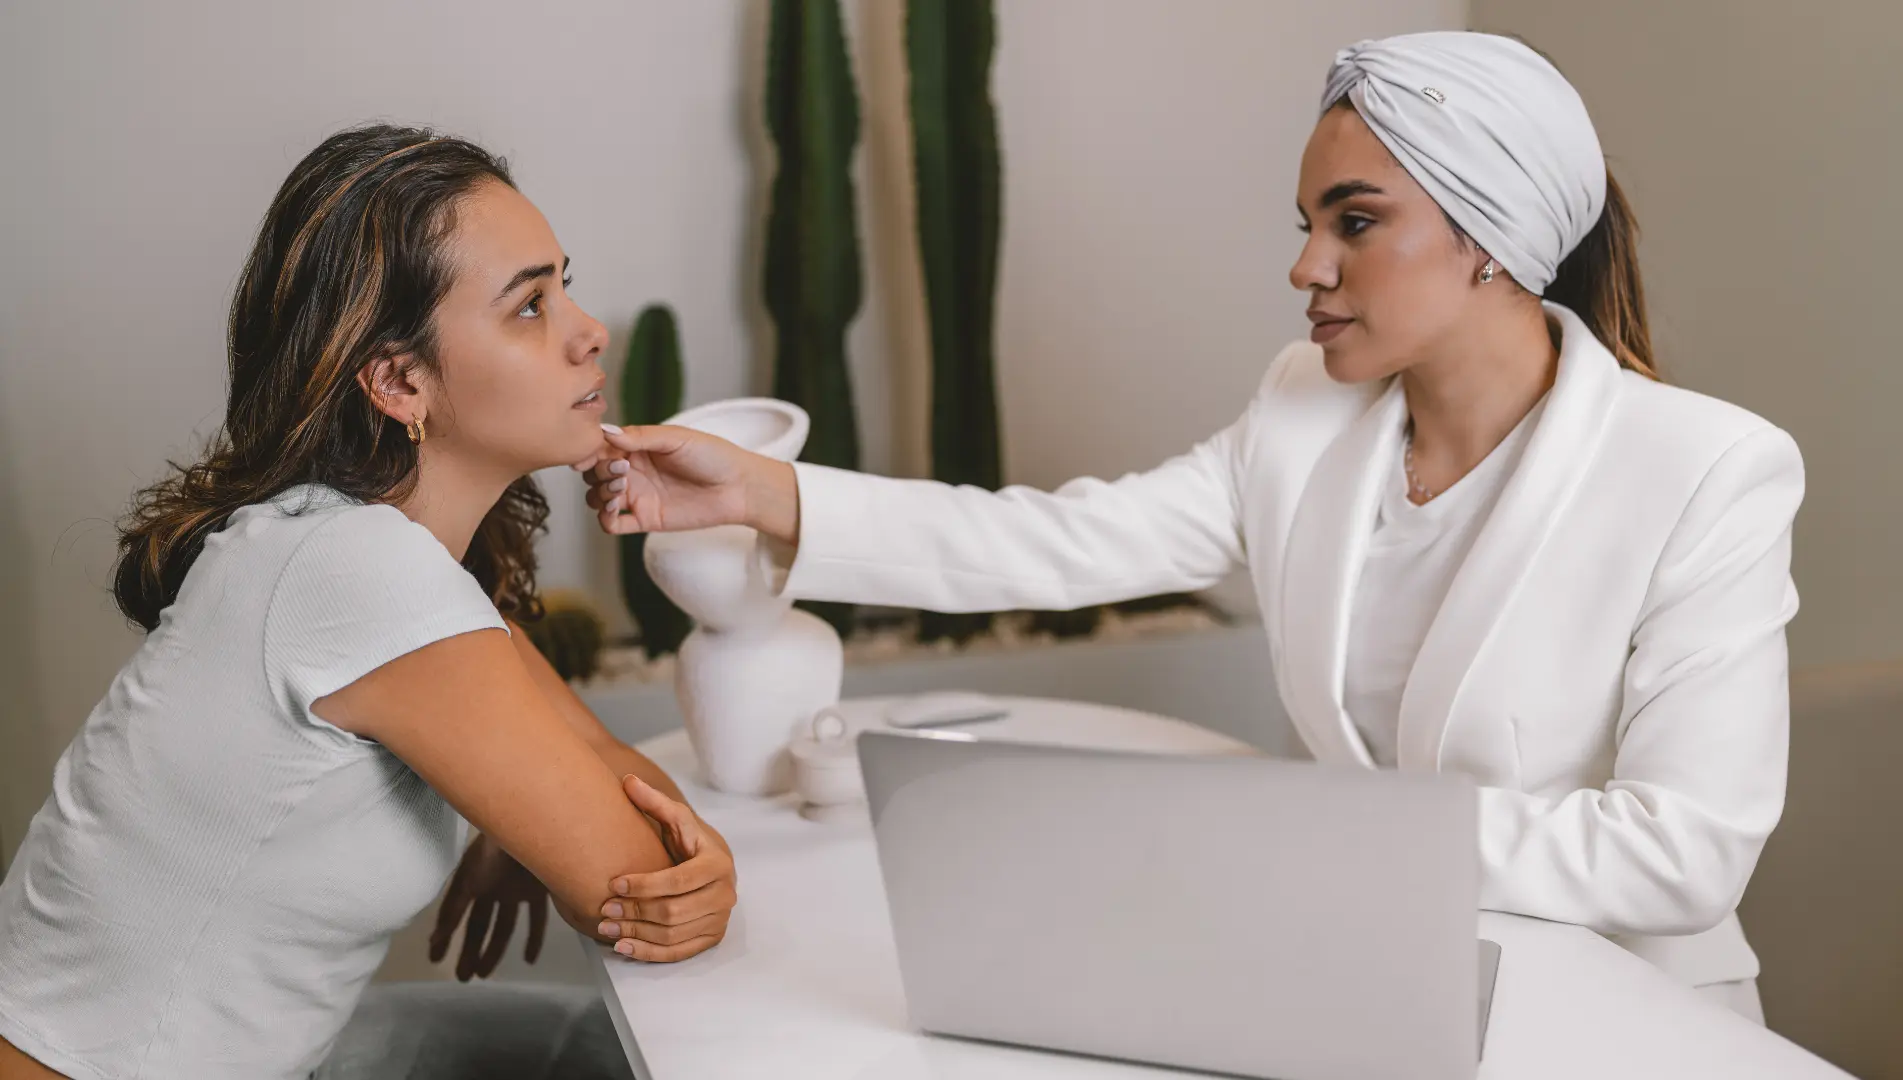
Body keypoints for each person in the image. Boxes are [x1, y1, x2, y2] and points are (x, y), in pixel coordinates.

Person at [577, 31, 1800, 1024]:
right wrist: (764, 495)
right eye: (1306, 222)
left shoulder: (1706, 471)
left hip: (1628, 1022)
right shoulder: (1303, 415)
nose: (1306, 266)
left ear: (1489, 234)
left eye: (1355, 222)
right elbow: (1054, 544)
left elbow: (1681, 854)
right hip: (1381, 1001)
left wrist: (1335, 837)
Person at [0, 125, 737, 1080]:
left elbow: (603, 778)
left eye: (564, 284)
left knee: (587, 1048)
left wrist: (563, 828)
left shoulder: (341, 548)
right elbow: (641, 872)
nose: (588, 328)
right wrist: (653, 856)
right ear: (398, 382)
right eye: (528, 305)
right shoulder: (353, 571)